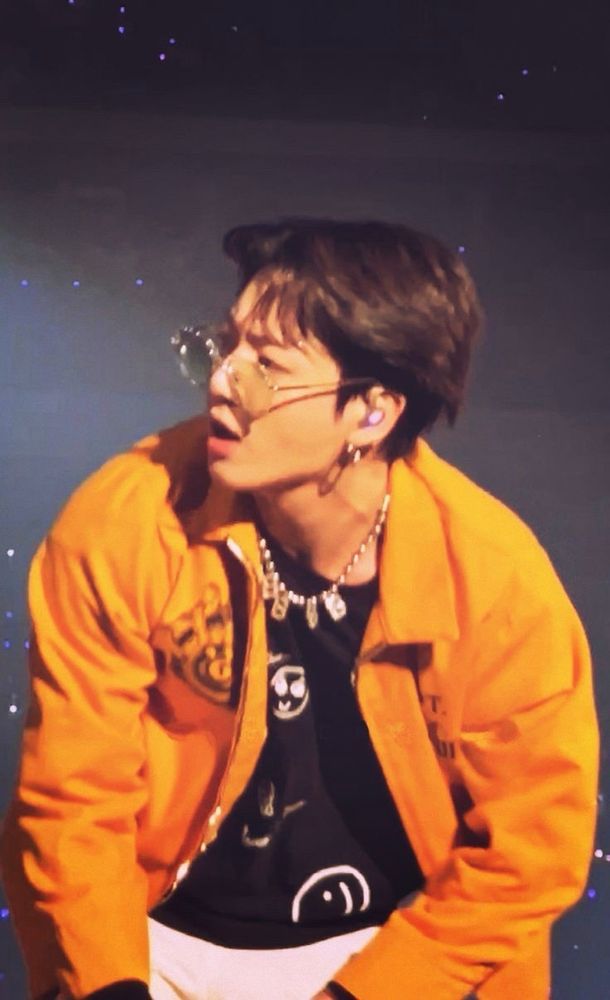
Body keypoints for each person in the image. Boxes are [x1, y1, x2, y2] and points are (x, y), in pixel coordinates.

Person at [1, 219, 599, 1000]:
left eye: (268, 367)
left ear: (373, 413)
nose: (223, 382)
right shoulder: (126, 519)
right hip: (150, 937)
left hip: (393, 953)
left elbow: (531, 856)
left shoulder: (495, 582)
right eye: (225, 348)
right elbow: (73, 799)